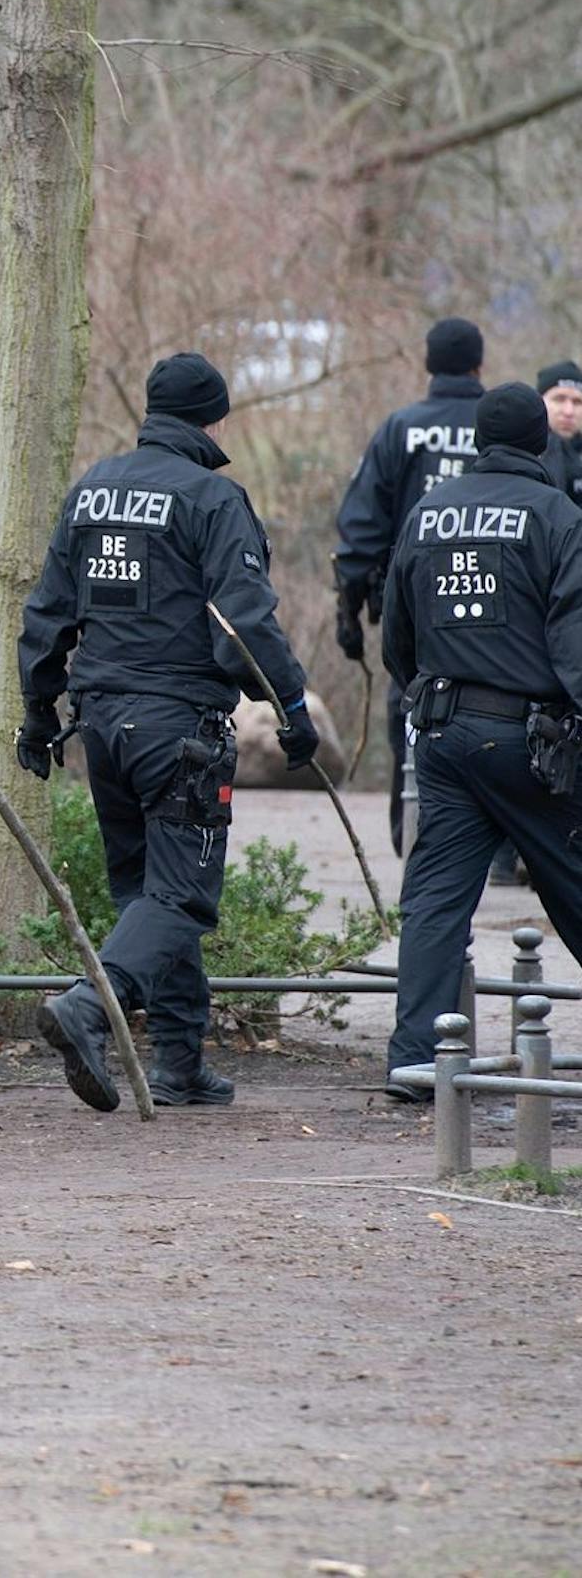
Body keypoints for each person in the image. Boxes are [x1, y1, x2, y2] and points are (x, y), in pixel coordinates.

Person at [16, 353, 316, 1113]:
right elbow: (243, 623)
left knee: (147, 895)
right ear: (213, 419)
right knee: (180, 899)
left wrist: (36, 711)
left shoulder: (91, 489)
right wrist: (292, 709)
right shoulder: (213, 497)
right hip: (176, 728)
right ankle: (90, 1007)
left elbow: (49, 612)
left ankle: (179, 1063)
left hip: (102, 728)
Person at [379, 383, 582, 1098]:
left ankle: (417, 1060)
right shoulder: (558, 516)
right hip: (531, 742)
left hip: (442, 735)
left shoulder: (428, 514)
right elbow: (575, 641)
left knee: (435, 899)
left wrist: (430, 694)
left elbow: (396, 638)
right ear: (540, 442)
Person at [333, 317, 485, 856]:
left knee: (414, 715)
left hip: (417, 608)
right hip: (499, 608)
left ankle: (414, 840)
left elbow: (360, 531)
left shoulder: (400, 429)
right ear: (479, 365)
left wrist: (348, 612)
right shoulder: (503, 427)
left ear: (428, 364)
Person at [536, 359, 582, 507]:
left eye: (577, 402)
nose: (568, 411)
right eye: (559, 399)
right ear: (540, 401)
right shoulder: (523, 452)